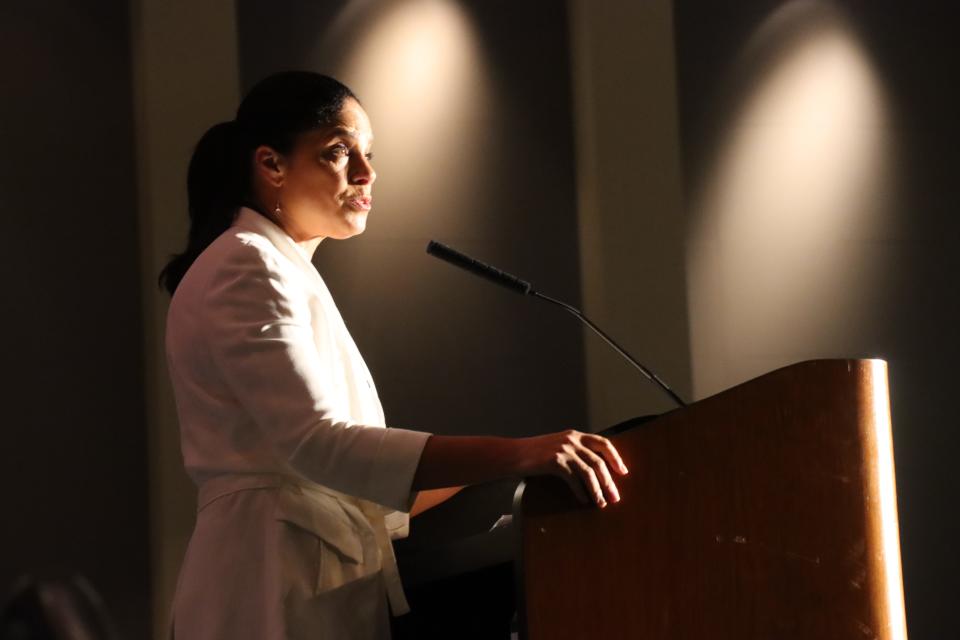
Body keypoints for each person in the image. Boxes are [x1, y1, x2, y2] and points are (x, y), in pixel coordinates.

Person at [161, 71, 628, 640]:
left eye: (369, 153)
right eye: (338, 151)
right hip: (267, 589)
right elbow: (318, 444)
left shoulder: (275, 266)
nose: (366, 172)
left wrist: (498, 470)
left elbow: (343, 477)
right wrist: (518, 453)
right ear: (271, 165)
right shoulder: (246, 264)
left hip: (301, 578)